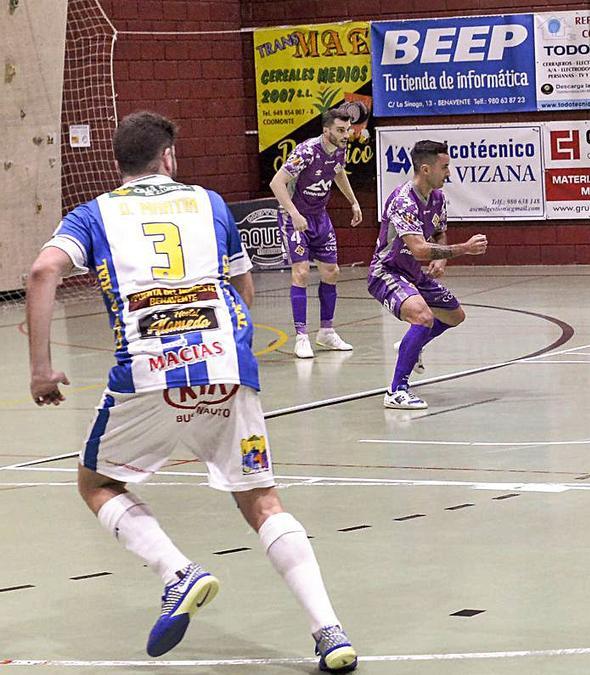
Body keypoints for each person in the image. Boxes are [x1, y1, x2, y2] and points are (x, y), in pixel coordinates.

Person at [25, 111, 357, 672]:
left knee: (97, 482)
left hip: (149, 370)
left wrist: (41, 368)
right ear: (168, 159)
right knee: (262, 500)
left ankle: (178, 572)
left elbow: (41, 273)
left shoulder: (94, 213)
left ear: (119, 164)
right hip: (228, 367)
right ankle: (329, 632)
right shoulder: (208, 202)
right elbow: (243, 284)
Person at [370, 140, 488, 410]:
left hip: (413, 273)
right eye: (444, 167)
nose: (449, 173)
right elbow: (420, 249)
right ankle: (396, 390)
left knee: (454, 315)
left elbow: (438, 232)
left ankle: (412, 343)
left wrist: (444, 256)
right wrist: (464, 249)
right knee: (423, 317)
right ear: (425, 169)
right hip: (387, 271)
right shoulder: (403, 202)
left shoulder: (437, 197)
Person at [269, 107, 362, 359]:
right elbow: (276, 183)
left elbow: (338, 172)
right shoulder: (306, 151)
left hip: (320, 216)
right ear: (326, 130)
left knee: (332, 272)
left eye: (348, 130)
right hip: (295, 217)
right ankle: (301, 336)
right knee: (300, 273)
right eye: (340, 130)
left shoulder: (340, 150)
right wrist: (295, 214)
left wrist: (352, 201)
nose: (345, 135)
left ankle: (327, 332)